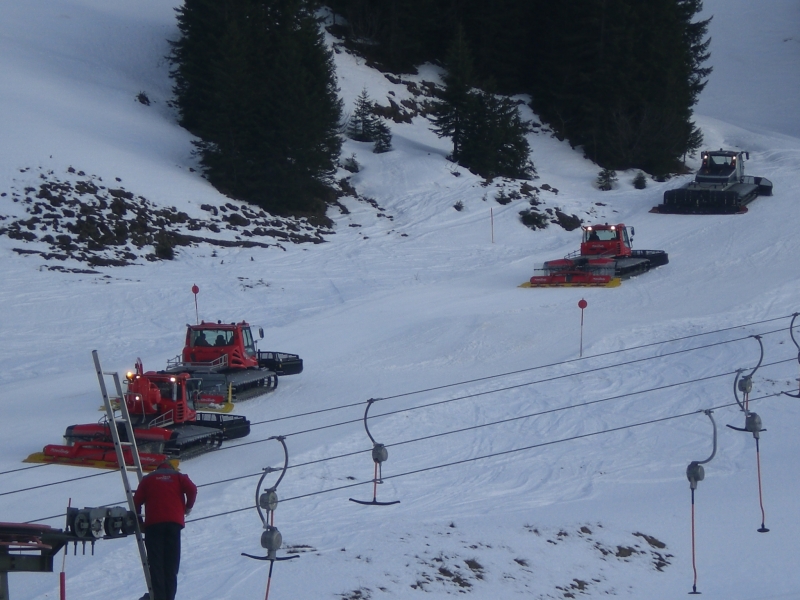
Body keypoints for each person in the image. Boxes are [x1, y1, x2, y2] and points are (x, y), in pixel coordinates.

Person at [134, 461, 197, 600]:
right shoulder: (179, 477)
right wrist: (188, 507)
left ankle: (159, 597)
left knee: (156, 565)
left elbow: (136, 501)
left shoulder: (148, 479)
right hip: (174, 525)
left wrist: (139, 522)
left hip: (154, 526)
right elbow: (192, 489)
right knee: (171, 566)